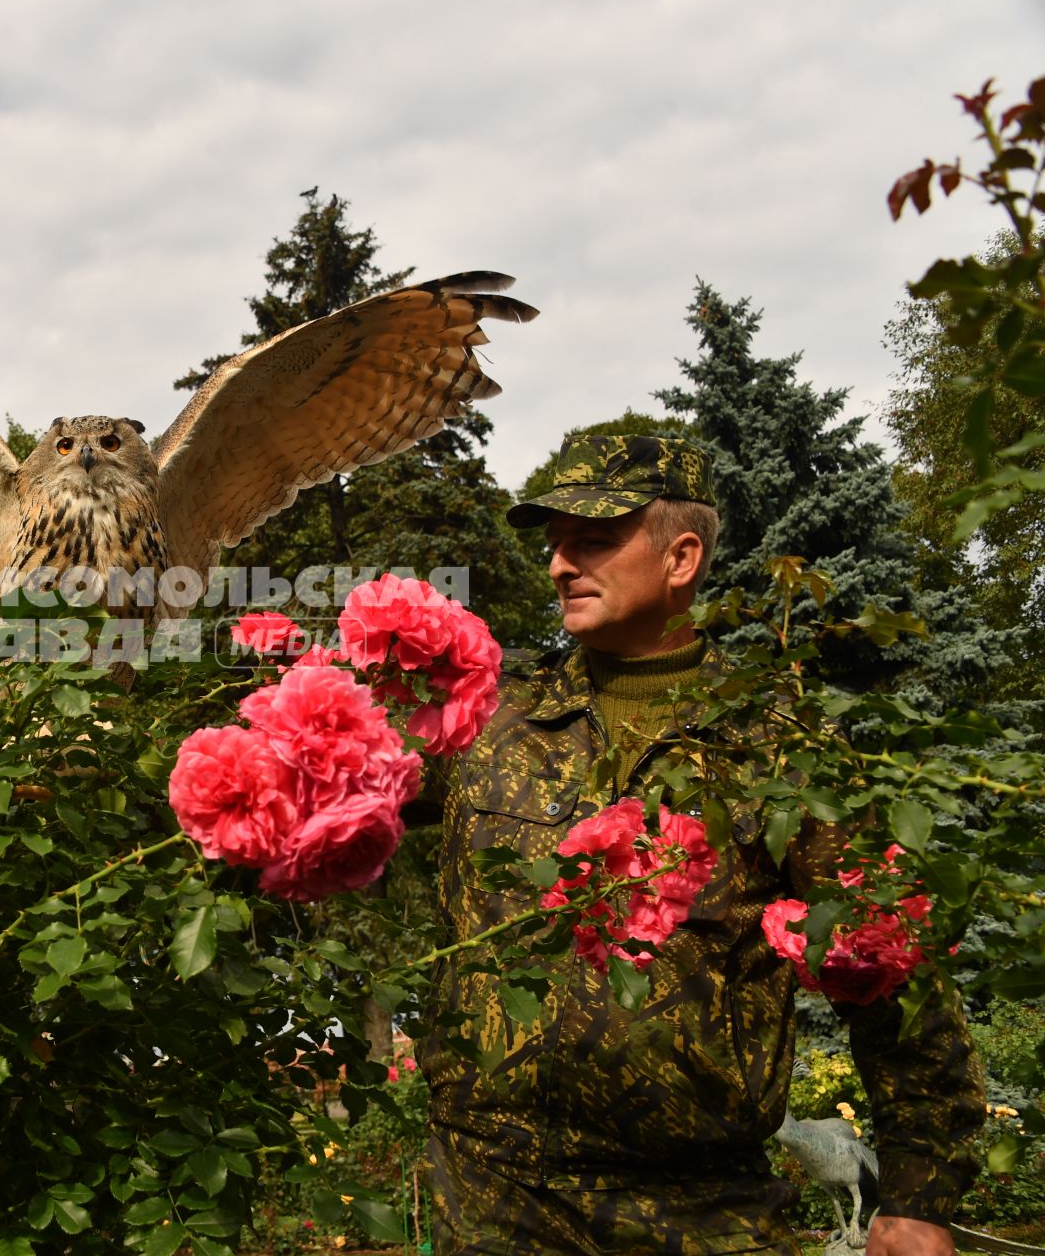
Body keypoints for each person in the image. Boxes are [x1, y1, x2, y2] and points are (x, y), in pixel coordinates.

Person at [417, 434, 984, 1255]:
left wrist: (920, 1190)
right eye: (554, 545)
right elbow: (325, 794)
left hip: (699, 1207)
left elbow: (888, 962)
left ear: (681, 557)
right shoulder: (490, 723)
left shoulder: (778, 744)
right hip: (494, 1195)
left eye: (594, 540)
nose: (559, 567)